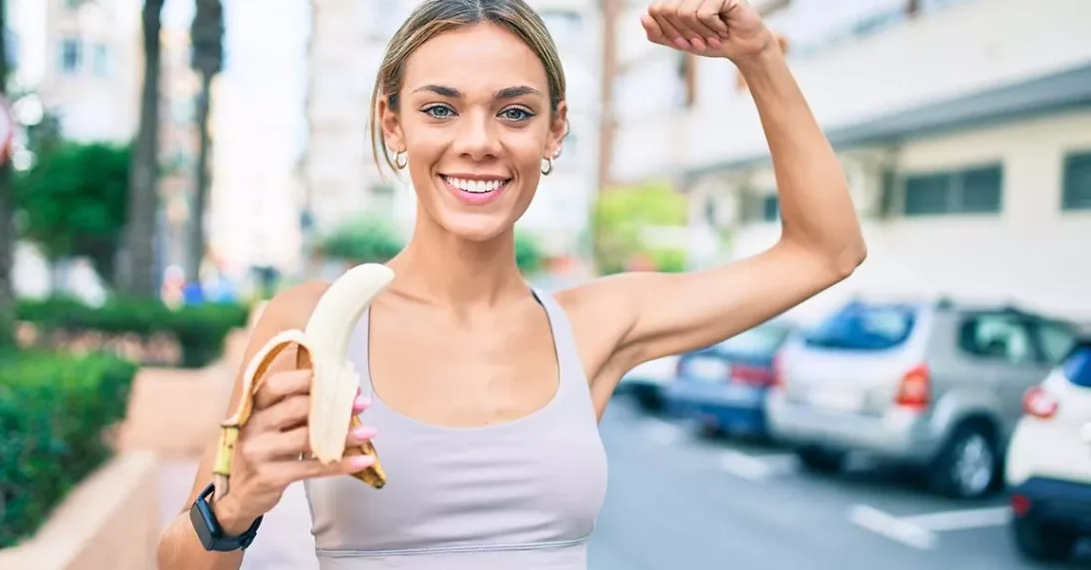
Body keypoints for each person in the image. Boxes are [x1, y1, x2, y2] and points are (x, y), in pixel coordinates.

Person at [156, 0, 866, 568]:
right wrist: (236, 505)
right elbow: (179, 566)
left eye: (515, 112)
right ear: (391, 123)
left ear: (554, 132)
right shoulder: (309, 325)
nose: (479, 141)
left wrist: (760, 56)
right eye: (439, 109)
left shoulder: (596, 324)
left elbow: (825, 251)